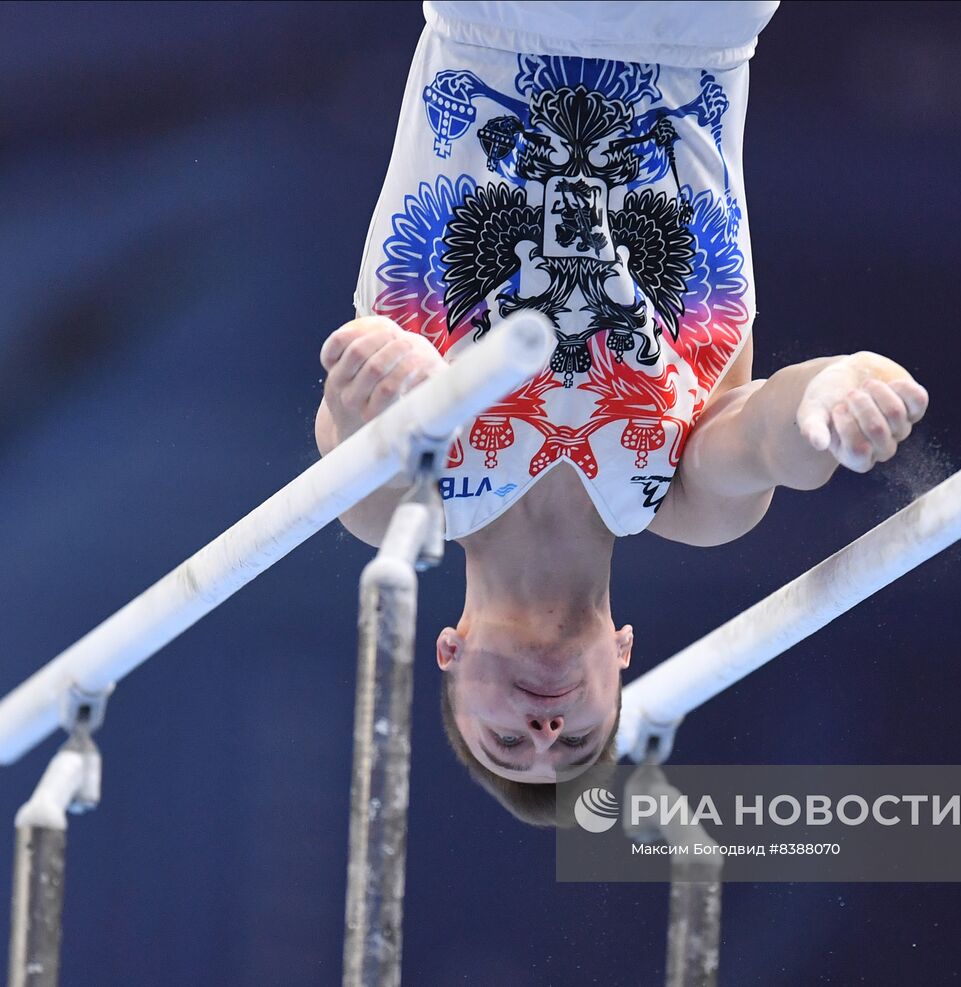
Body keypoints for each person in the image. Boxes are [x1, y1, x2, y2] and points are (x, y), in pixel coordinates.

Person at [314, 0, 928, 824]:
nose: (544, 727)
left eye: (508, 741)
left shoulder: (398, 506)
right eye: (574, 740)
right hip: (696, 33)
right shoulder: (687, 502)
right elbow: (771, 437)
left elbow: (348, 418)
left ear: (449, 655)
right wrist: (829, 394)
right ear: (624, 658)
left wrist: (379, 386)